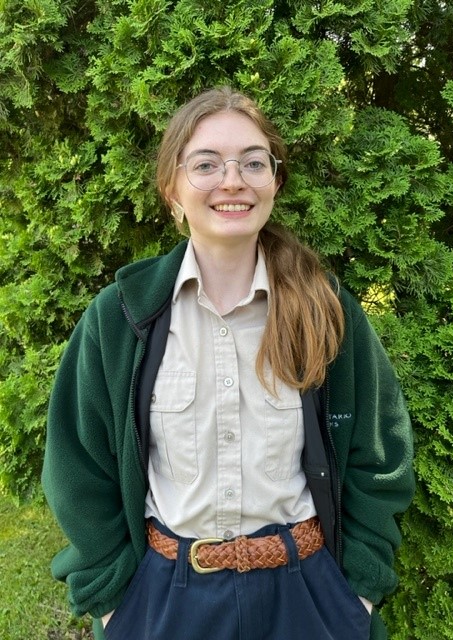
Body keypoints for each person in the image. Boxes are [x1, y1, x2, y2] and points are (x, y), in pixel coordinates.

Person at [42, 86, 415, 640]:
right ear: (172, 188)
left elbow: (378, 452)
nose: (232, 180)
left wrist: (355, 593)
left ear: (274, 181)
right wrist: (114, 601)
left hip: (308, 598)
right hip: (164, 603)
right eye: (207, 164)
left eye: (253, 162)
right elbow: (78, 466)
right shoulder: (120, 318)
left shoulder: (324, 307)